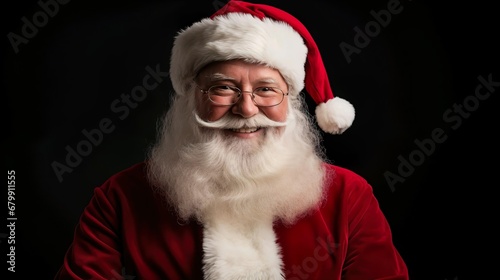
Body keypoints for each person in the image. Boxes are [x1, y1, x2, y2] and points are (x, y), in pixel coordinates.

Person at [55, 1, 409, 279]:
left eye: (266, 90)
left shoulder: (349, 197)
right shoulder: (119, 199)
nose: (245, 107)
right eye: (223, 88)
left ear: (291, 102)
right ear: (191, 98)